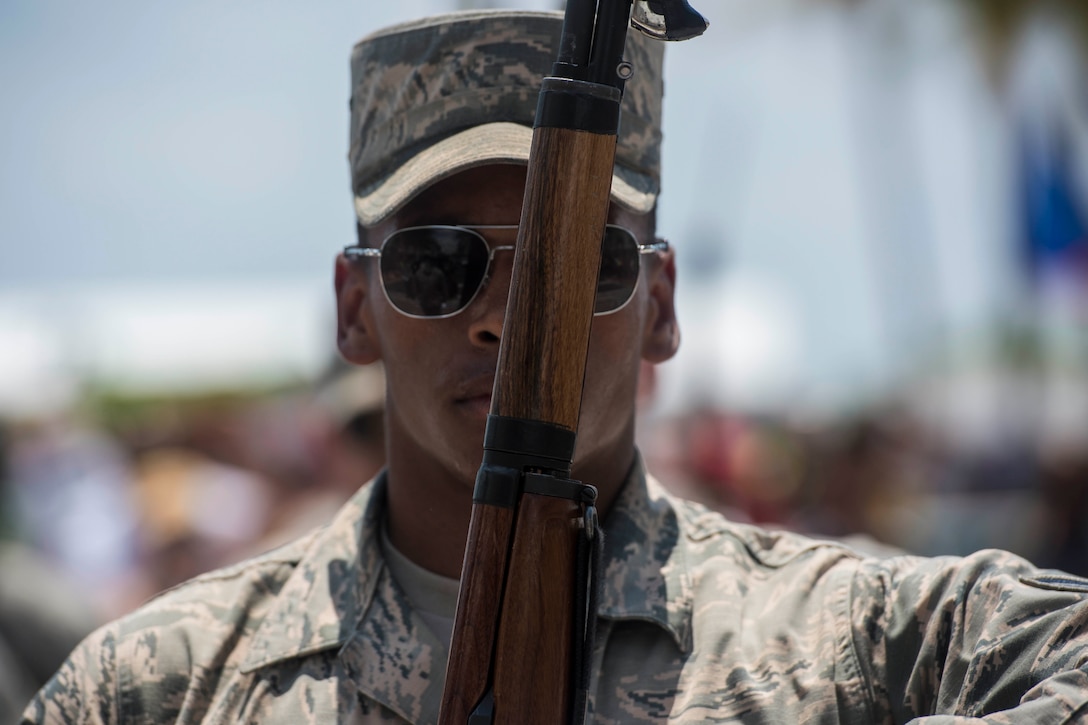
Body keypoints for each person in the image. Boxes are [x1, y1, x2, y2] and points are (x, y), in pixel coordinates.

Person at [22, 9, 1088, 724]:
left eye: (579, 263)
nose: (505, 319)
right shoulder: (165, 684)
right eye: (437, 264)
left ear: (660, 306)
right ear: (355, 312)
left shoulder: (841, 643)